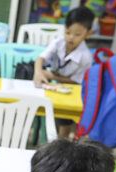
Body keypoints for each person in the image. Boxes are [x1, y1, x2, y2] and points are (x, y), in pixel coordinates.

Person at [33, 6, 95, 139]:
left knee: (64, 121)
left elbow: (77, 81)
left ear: (88, 34)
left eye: (77, 34)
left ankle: (61, 143)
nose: (71, 37)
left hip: (71, 88)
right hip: (53, 82)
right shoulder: (58, 42)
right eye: (68, 32)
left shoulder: (86, 57)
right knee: (49, 112)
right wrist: (39, 72)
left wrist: (51, 75)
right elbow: (41, 58)